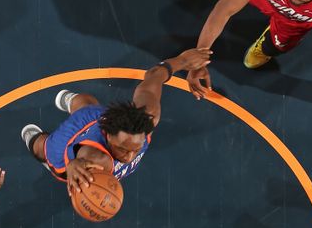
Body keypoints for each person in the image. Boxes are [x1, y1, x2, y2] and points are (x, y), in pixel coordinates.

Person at [20, 48, 212, 194]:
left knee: (88, 105)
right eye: (123, 149)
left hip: (95, 116)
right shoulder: (96, 157)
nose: (129, 157)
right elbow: (80, 161)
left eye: (134, 149)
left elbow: (155, 75)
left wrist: (184, 60)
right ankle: (36, 142)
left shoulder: (148, 116)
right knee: (42, 147)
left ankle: (71, 101)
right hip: (66, 148)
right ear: (107, 134)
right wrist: (72, 165)